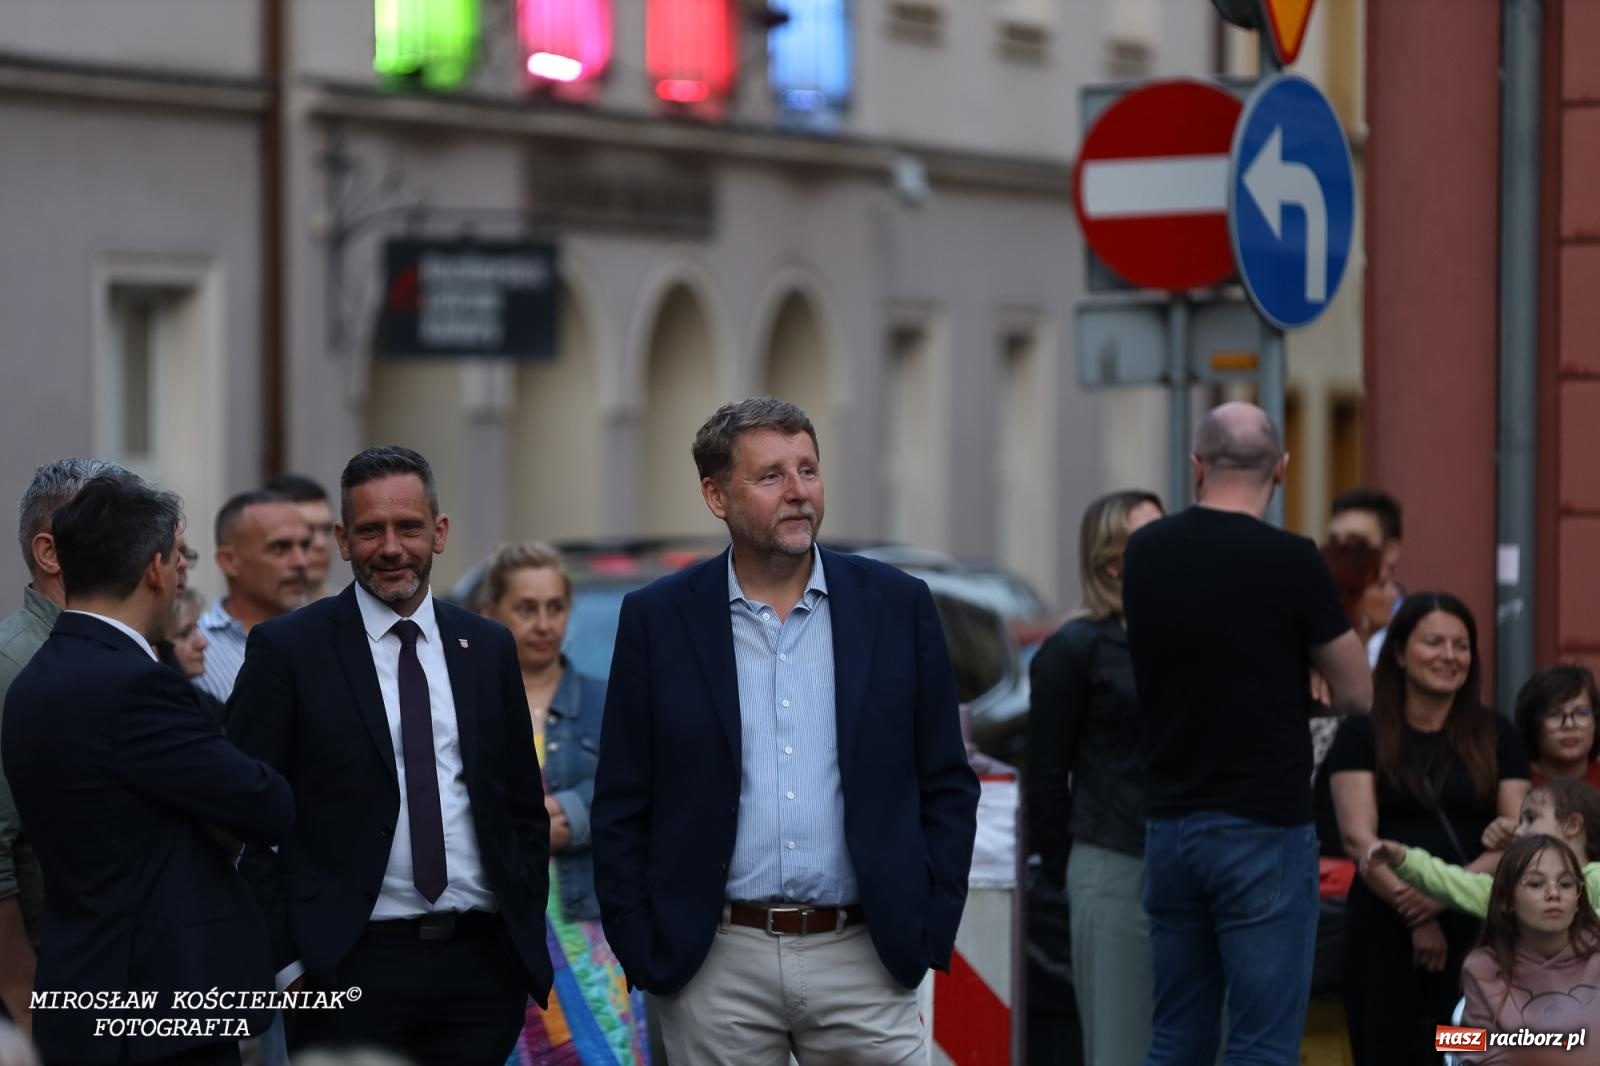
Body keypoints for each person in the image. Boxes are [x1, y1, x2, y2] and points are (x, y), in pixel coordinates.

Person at [591, 397, 980, 1065]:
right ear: (717, 496)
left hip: (864, 957)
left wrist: (926, 926)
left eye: (808, 469)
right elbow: (624, 799)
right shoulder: (658, 620)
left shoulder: (896, 605)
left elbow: (946, 781)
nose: (798, 491)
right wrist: (645, 948)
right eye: (771, 476)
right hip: (713, 966)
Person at [227, 445, 552, 1064]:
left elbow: (519, 809)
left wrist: (516, 942)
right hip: (343, 969)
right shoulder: (288, 650)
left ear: (440, 532)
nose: (392, 547)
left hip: (480, 968)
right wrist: (291, 965)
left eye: (409, 527)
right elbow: (242, 819)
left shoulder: (485, 647)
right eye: (371, 530)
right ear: (343, 540)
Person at [1, 473, 293, 1066]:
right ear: (157, 569)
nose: (184, 572)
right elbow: (263, 803)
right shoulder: (133, 682)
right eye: (180, 557)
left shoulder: (35, 675)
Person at [1121, 402, 1372, 1066]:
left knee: (1177, 1031)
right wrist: (1304, 666)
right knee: (1262, 1042)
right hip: (1263, 825)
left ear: (1196, 467)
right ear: (1282, 470)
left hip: (1171, 826)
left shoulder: (1146, 552)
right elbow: (1355, 689)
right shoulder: (1292, 560)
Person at [1325, 593, 1531, 1064]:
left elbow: (1516, 834)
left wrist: (1440, 897)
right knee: (1386, 1050)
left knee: (1462, 1046)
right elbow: (1359, 838)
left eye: (1461, 645)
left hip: (1475, 929)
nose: (1449, 656)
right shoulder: (1361, 733)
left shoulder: (1498, 734)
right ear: (1399, 651)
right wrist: (1415, 913)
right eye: (1433, 642)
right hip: (1383, 927)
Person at [481, 542, 650, 1065]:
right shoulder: (470, 703)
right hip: (500, 931)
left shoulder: (611, 699)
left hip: (590, 929)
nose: (542, 623)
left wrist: (576, 815)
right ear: (492, 613)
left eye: (554, 607)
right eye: (526, 608)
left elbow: (648, 790)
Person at [1025, 489, 1163, 1066]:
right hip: (1112, 860)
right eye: (1151, 539)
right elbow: (1045, 777)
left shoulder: (1188, 638)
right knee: (1120, 1046)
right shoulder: (1075, 648)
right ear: (1111, 562)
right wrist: (1075, 866)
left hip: (1194, 862)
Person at [0, 457, 130, 1036]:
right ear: (50, 553)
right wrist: (22, 995)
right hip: (60, 984)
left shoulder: (120, 650)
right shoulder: (15, 664)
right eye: (122, 533)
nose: (153, 554)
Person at [1458, 835, 1600, 1063]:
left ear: (1578, 898)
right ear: (1506, 901)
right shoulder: (1481, 967)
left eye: (1566, 884)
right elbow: (1465, 1047)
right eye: (1535, 884)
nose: (1554, 894)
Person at [193, 490, 311, 701]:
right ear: (229, 561)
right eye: (280, 547)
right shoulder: (197, 648)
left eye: (304, 545)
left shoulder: (325, 632)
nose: (301, 561)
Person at [1328, 487, 1404, 667]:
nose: (1341, 552)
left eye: (1356, 543)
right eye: (1334, 542)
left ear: (1391, 551)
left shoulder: (1415, 627)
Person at [1515, 665, 1600, 790]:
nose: (1569, 725)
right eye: (1554, 714)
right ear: (1533, 724)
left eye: (1581, 713)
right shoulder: (1514, 782)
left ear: (1595, 721)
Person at [264, 474, 337, 601]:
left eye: (326, 529)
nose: (321, 543)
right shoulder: (244, 617)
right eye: (307, 530)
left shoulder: (355, 611)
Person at [168, 587, 226, 724]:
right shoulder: (166, 709)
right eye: (184, 634)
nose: (202, 643)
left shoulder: (206, 702)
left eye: (197, 628)